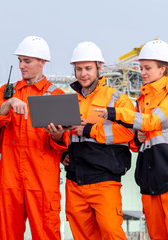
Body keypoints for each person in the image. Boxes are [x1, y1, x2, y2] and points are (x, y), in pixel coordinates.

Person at [96, 39, 168, 240]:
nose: (142, 72)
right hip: (149, 178)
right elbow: (136, 142)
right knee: (156, 236)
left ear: (163, 69)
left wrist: (116, 113)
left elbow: (154, 121)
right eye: (141, 67)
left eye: (147, 68)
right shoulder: (140, 101)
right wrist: (137, 136)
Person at [0, 36, 67, 240]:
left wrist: (57, 135)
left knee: (46, 233)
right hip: (10, 179)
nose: (21, 65)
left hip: (42, 180)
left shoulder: (55, 95)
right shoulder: (7, 92)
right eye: (20, 60)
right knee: (8, 234)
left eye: (27, 61)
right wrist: (8, 103)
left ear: (42, 62)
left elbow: (65, 140)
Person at [61, 41, 135, 240]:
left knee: (112, 233)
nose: (83, 74)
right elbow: (68, 137)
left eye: (88, 68)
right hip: (75, 180)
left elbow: (129, 133)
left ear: (99, 68)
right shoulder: (69, 101)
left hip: (105, 180)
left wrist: (89, 129)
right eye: (78, 69)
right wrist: (63, 152)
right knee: (82, 236)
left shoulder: (117, 99)